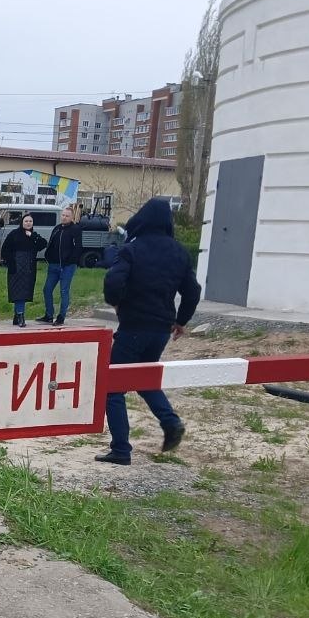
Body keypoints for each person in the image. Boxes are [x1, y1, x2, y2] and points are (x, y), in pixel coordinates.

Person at [95, 197, 200, 465]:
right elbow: (192, 292)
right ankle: (171, 422)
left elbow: (113, 281)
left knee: (112, 387)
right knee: (145, 379)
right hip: (162, 329)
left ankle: (121, 449)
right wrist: (181, 321)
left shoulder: (132, 249)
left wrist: (116, 303)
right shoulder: (179, 252)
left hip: (134, 326)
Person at [36, 204, 82, 325]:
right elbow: (51, 244)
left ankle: (61, 316)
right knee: (47, 289)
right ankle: (49, 315)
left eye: (67, 216)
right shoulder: (57, 228)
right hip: (54, 265)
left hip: (67, 266)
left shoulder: (75, 229)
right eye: (63, 215)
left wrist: (70, 261)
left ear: (72, 217)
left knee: (64, 291)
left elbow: (78, 248)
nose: (64, 217)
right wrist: (48, 257)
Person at [0, 213, 47, 327]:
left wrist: (32, 235)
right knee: (18, 293)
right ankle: (21, 316)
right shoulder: (14, 234)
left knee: (25, 293)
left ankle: (17, 316)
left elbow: (43, 244)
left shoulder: (34, 236)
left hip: (29, 269)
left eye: (30, 221)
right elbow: (4, 250)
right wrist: (11, 262)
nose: (28, 223)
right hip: (16, 268)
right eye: (26, 221)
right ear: (22, 222)